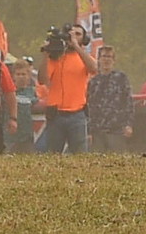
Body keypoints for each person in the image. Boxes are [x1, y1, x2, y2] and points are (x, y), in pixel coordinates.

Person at [37, 25, 90, 153]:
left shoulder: (83, 58)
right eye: (72, 34)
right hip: (56, 115)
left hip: (77, 114)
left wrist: (76, 46)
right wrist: (46, 54)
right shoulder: (55, 58)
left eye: (78, 34)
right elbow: (42, 80)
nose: (74, 37)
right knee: (53, 154)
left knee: (80, 155)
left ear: (84, 39)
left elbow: (94, 68)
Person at [86, 42, 133, 153]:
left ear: (114, 60)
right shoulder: (93, 82)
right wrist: (88, 131)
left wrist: (128, 124)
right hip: (97, 131)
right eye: (104, 56)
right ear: (99, 60)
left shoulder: (121, 78)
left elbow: (128, 103)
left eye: (109, 57)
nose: (106, 60)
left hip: (116, 130)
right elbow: (89, 107)